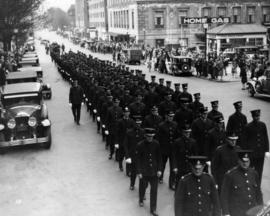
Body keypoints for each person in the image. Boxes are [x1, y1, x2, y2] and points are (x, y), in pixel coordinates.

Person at [221, 149, 263, 216]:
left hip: (252, 211)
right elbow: (224, 196)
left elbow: (258, 193)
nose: (245, 163)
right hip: (236, 212)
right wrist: (226, 213)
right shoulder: (230, 175)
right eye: (243, 161)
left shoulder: (254, 173)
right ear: (238, 161)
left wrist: (261, 209)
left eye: (247, 161)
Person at [137, 128, 162, 216]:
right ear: (145, 136)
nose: (150, 138)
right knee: (143, 186)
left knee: (154, 191)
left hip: (154, 171)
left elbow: (159, 158)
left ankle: (153, 209)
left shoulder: (156, 144)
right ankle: (141, 199)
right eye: (148, 136)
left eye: (151, 137)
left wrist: (159, 169)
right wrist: (139, 172)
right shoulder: (140, 145)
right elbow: (138, 159)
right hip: (144, 171)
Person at [243, 109, 269, 185]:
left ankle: (258, 186)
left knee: (259, 171)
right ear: (252, 117)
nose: (257, 118)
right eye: (255, 116)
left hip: (260, 153)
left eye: (258, 116)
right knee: (250, 170)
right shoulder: (248, 126)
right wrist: (246, 153)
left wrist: (267, 150)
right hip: (252, 154)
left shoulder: (263, 125)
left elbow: (265, 138)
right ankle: (250, 185)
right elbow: (245, 141)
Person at [156, 110, 178, 189]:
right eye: (169, 116)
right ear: (166, 116)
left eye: (172, 116)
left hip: (172, 149)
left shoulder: (175, 124)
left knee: (173, 166)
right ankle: (160, 177)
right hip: (164, 149)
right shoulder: (161, 125)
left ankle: (171, 183)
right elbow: (158, 138)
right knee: (163, 164)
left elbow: (176, 136)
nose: (171, 118)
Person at [172, 124, 197, 189]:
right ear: (182, 132)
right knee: (179, 184)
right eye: (186, 132)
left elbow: (195, 155)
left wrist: (195, 166)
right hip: (180, 166)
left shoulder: (193, 142)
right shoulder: (177, 142)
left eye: (188, 132)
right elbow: (174, 155)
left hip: (189, 166)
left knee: (190, 184)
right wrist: (175, 166)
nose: (187, 134)